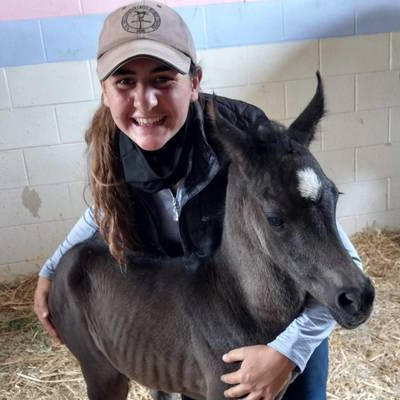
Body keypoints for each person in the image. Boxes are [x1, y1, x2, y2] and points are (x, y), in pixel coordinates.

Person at [33, 1, 363, 399]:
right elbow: (102, 210)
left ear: (194, 82)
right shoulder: (116, 149)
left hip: (286, 324)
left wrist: (288, 353)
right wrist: (50, 270)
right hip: (206, 325)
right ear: (104, 90)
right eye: (124, 81)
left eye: (162, 78)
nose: (145, 101)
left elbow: (339, 260)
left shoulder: (250, 142)